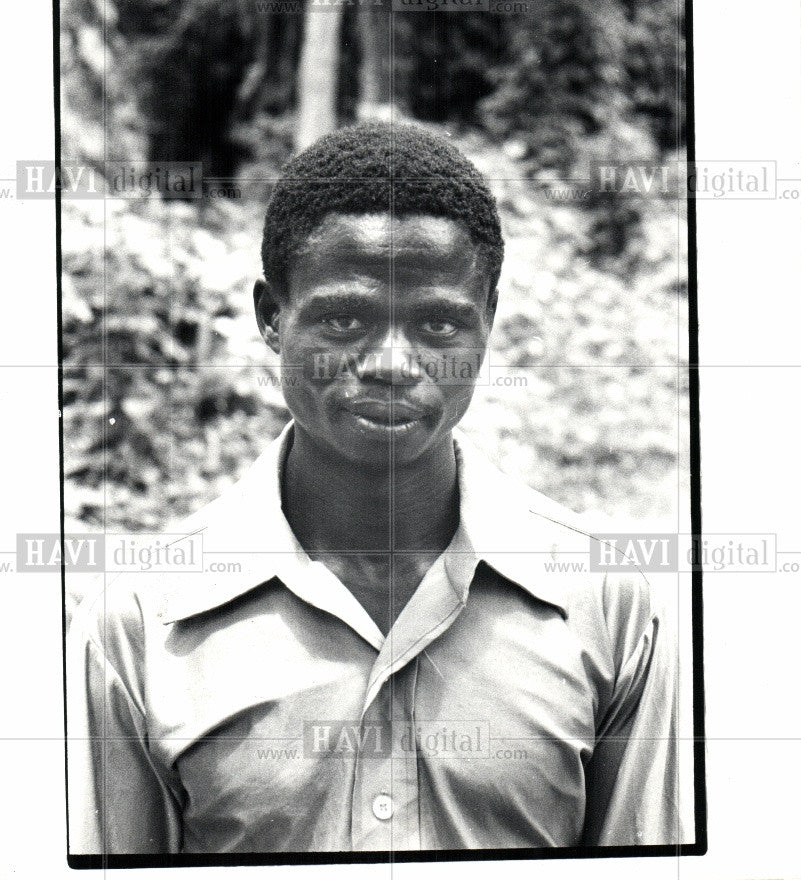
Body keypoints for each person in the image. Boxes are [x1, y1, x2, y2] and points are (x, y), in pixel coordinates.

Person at [67, 122, 683, 856]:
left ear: (486, 324)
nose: (391, 362)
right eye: (344, 318)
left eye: (437, 323)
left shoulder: (607, 600)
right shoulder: (140, 621)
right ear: (271, 318)